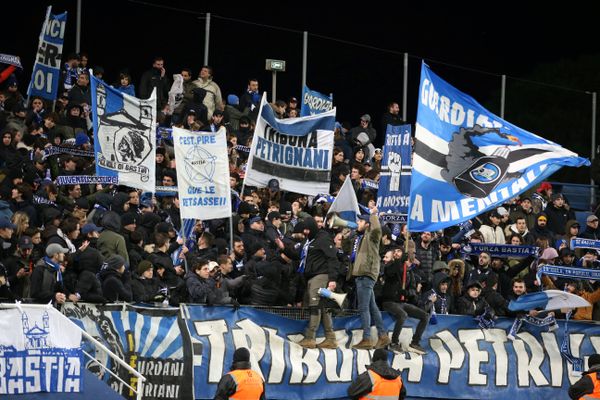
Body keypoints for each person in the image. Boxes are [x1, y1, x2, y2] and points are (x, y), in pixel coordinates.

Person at [294, 217, 340, 349]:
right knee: (322, 307)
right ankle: (330, 338)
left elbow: (332, 258)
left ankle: (310, 338)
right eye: (304, 230)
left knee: (314, 306)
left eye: (308, 229)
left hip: (321, 276)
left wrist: (332, 279)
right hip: (310, 277)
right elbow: (299, 255)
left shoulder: (323, 238)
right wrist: (283, 248)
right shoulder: (309, 241)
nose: (306, 232)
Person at [347, 208, 390, 350]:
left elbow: (377, 229)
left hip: (366, 274)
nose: (357, 222)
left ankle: (367, 338)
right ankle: (383, 335)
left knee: (363, 307)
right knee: (372, 306)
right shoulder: (364, 236)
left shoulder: (372, 235)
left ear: (367, 224)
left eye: (360, 221)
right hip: (364, 274)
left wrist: (373, 215)